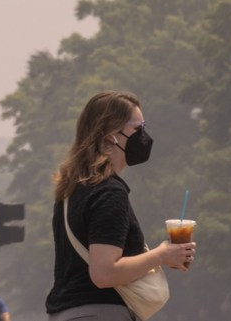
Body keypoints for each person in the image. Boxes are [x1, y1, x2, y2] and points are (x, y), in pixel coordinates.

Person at [45, 91, 196, 321]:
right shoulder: (109, 192)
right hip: (101, 312)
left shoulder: (71, 191)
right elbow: (104, 273)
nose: (144, 137)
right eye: (138, 129)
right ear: (110, 137)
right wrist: (162, 255)